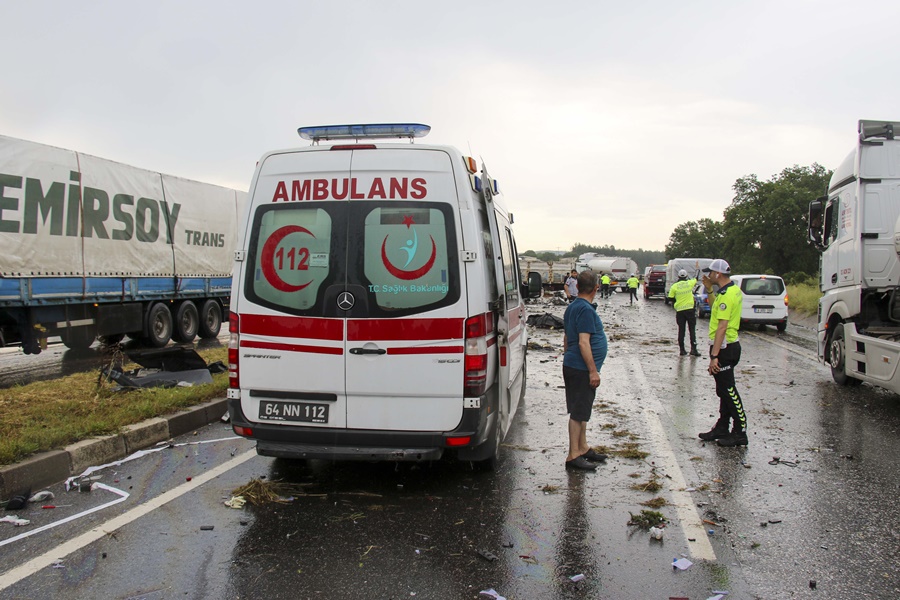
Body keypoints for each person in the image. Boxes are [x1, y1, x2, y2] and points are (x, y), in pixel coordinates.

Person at [562, 270, 609, 471]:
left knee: (582, 410)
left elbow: (566, 338)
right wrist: (592, 371)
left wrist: (567, 358)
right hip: (581, 368)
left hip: (574, 365)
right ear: (596, 288)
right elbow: (583, 342)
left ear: (578, 286)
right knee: (578, 412)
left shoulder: (573, 306)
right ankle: (573, 455)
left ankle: (583, 447)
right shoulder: (586, 310)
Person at [698, 259, 748, 447]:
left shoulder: (727, 295)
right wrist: (709, 290)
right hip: (724, 346)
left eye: (710, 273)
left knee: (728, 390)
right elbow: (714, 309)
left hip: (726, 347)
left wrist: (714, 356)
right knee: (722, 390)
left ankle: (740, 431)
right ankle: (722, 426)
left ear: (718, 274)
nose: (709, 275)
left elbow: (722, 326)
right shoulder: (727, 291)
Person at [668, 269, 702, 356]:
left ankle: (682, 350)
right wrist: (697, 271)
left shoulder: (674, 286)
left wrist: (676, 302)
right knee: (692, 330)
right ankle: (693, 349)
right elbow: (696, 279)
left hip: (680, 311)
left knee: (681, 330)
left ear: (678, 277)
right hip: (690, 310)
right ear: (686, 276)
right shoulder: (689, 283)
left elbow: (670, 298)